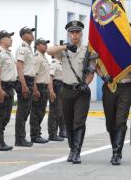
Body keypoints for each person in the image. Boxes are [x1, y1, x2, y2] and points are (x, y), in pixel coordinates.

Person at [47, 20, 97, 164]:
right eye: (72, 32)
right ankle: (71, 149)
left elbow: (91, 71)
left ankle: (77, 152)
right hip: (66, 91)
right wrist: (65, 46)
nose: (75, 35)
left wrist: (85, 84)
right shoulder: (63, 50)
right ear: (69, 34)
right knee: (68, 122)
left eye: (77, 32)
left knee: (79, 122)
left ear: (81, 33)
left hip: (81, 91)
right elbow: (49, 51)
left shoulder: (88, 50)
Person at [97, 59, 131, 166]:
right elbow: (96, 64)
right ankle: (115, 148)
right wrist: (103, 76)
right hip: (109, 85)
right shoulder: (107, 44)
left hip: (126, 86)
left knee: (121, 120)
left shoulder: (130, 43)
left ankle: (116, 153)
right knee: (110, 123)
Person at [0, 30, 17, 151]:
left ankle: (0, 140)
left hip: (9, 87)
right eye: (8, 37)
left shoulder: (9, 53)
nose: (11, 39)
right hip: (2, 86)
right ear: (2, 40)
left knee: (5, 117)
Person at [14, 27, 36, 146]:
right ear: (23, 36)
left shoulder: (29, 49)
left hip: (30, 80)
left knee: (26, 111)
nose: (32, 34)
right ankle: (19, 139)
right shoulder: (22, 48)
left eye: (32, 32)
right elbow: (19, 67)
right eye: (29, 33)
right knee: (22, 111)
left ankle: (21, 137)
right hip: (25, 80)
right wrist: (23, 85)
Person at [30, 38, 52, 143]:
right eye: (43, 44)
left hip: (44, 87)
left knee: (41, 112)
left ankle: (37, 133)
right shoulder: (37, 58)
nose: (45, 46)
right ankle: (34, 135)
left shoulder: (44, 57)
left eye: (46, 44)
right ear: (38, 46)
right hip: (38, 87)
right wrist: (35, 89)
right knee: (36, 112)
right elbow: (34, 74)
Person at [47, 53, 66, 140]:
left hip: (62, 87)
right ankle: (52, 134)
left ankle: (62, 131)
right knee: (54, 111)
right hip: (56, 86)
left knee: (61, 111)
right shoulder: (54, 63)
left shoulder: (63, 63)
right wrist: (51, 91)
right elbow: (50, 78)